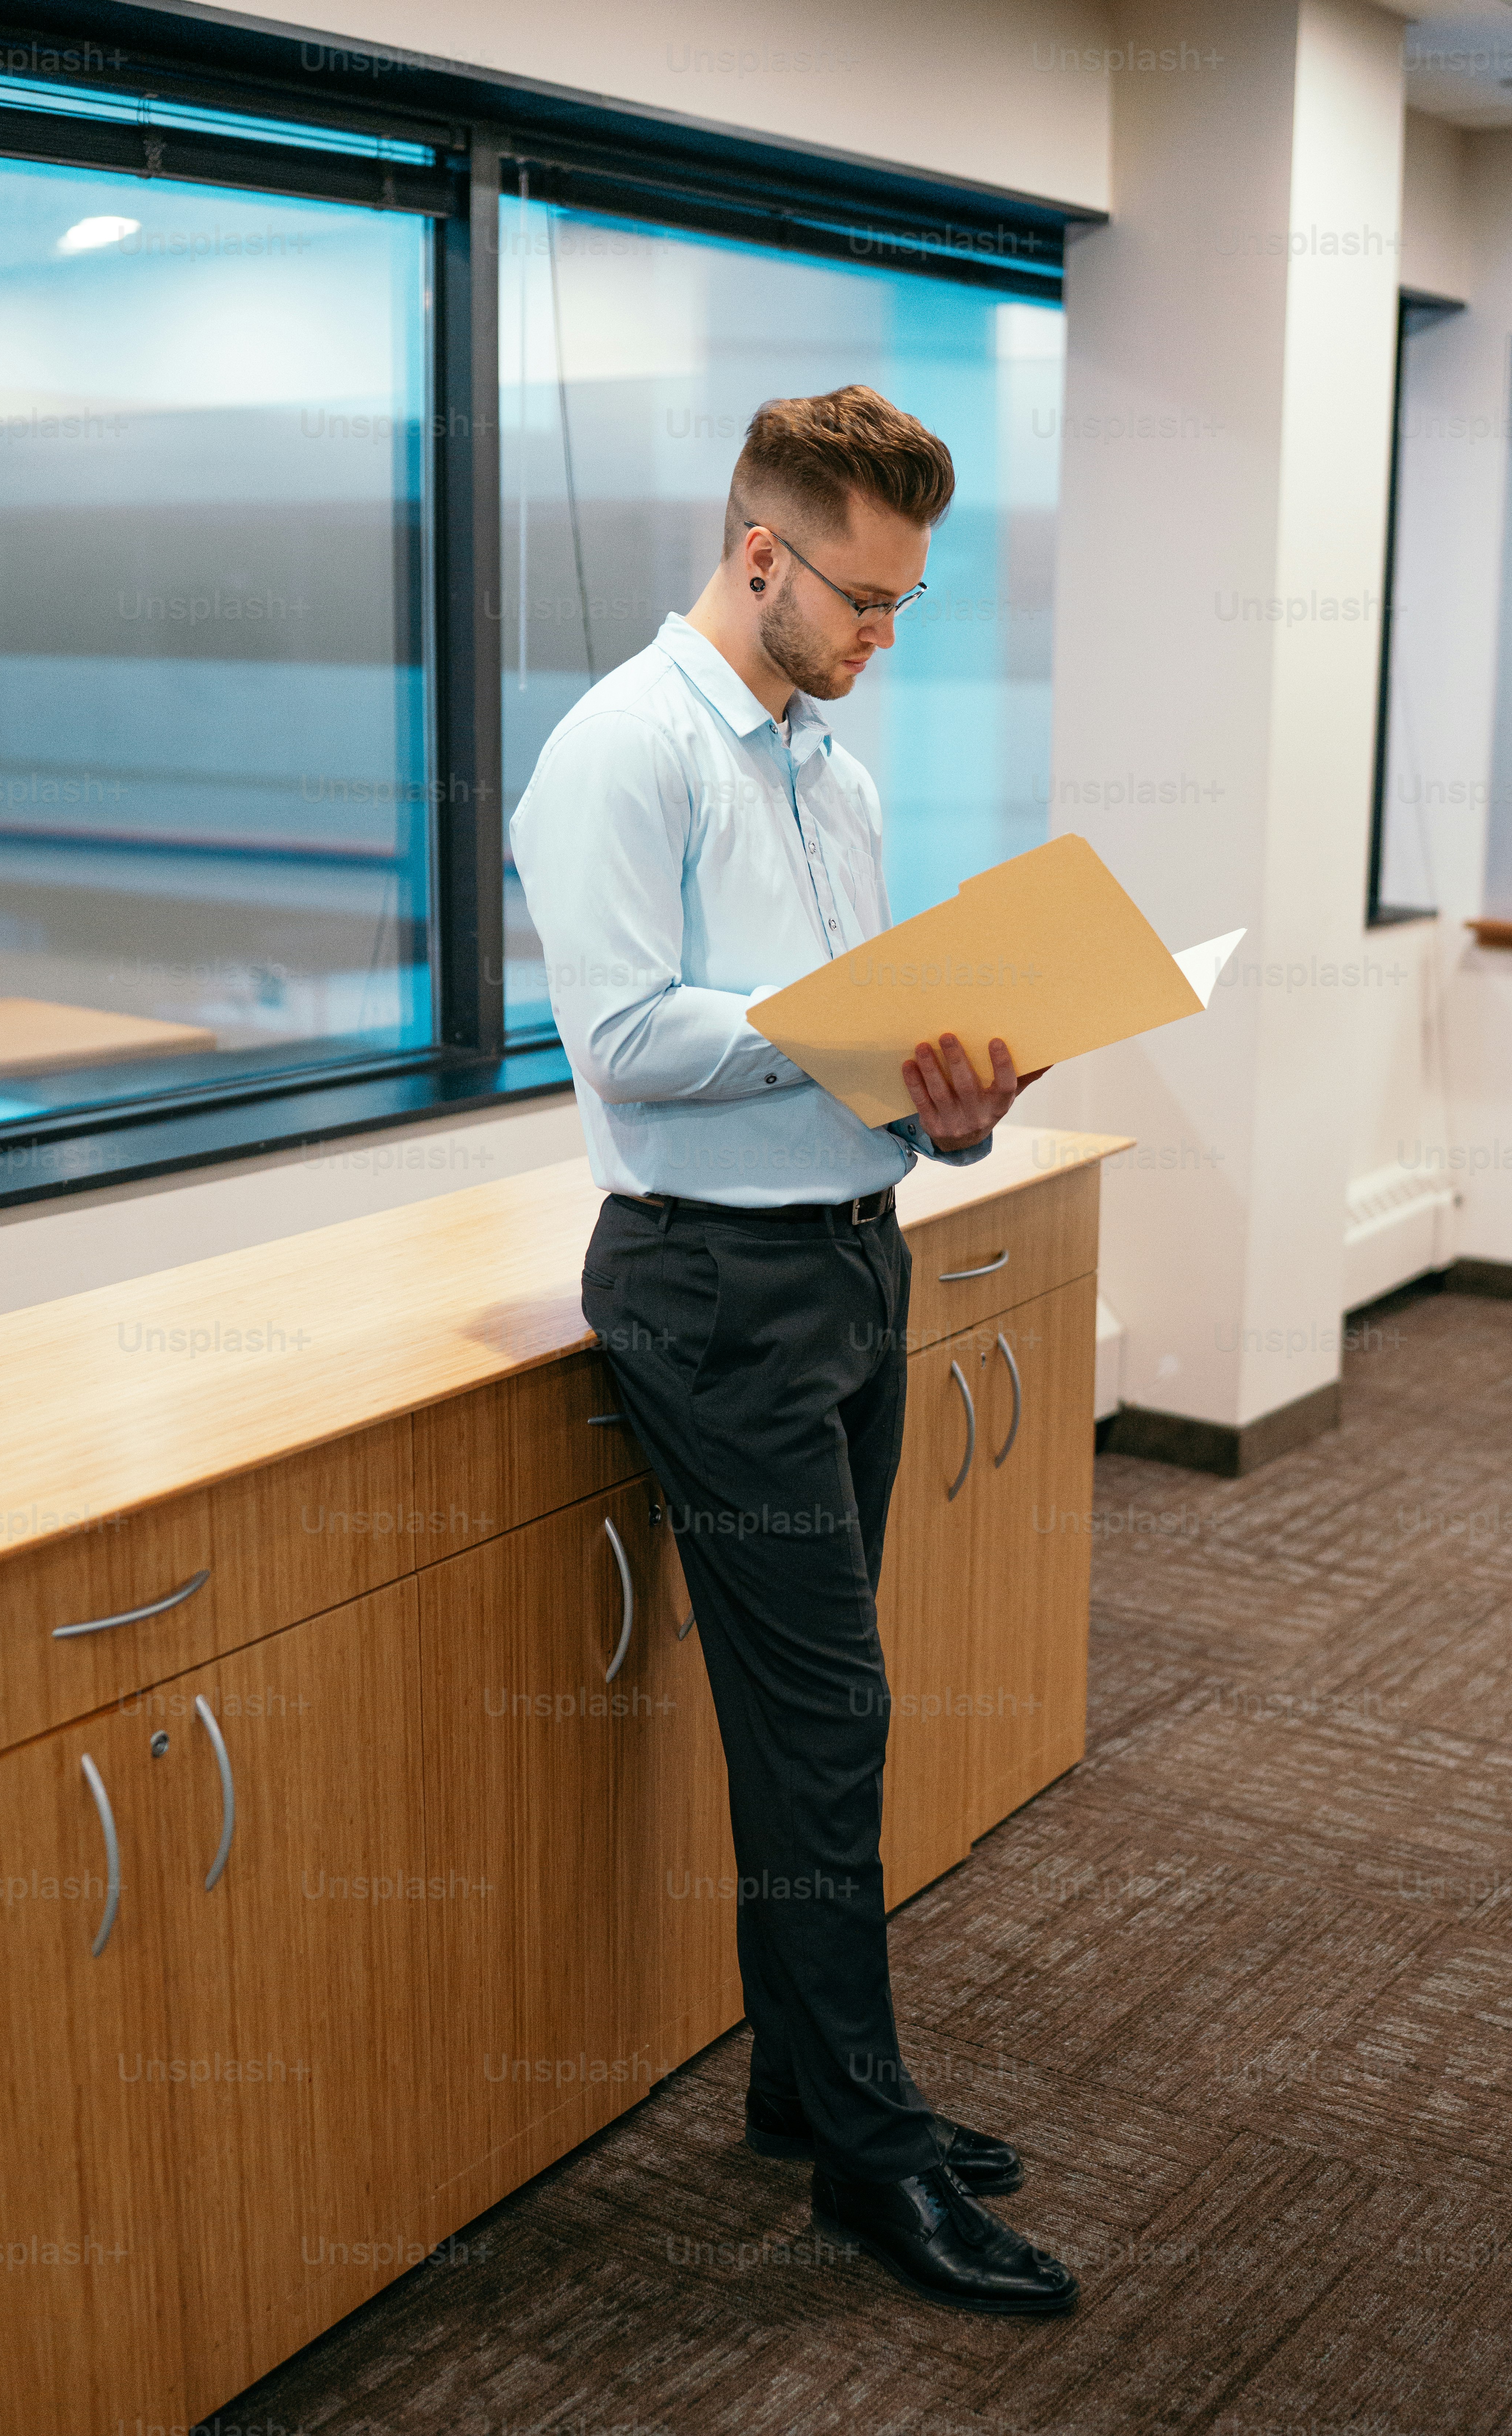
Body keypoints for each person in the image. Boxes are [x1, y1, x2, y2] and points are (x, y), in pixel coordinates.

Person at [510, 385, 1074, 2316]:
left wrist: (951, 1104)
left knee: (811, 1719)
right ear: (761, 554)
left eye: (908, 602)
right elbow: (628, 1040)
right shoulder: (625, 750)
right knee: (831, 1724)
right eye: (863, 597)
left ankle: (797, 2084)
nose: (883, 636)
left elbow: (857, 1060)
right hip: (710, 1289)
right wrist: (845, 1019)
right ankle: (866, 2152)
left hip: (849, 1261)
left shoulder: (832, 772)